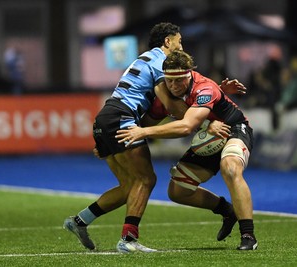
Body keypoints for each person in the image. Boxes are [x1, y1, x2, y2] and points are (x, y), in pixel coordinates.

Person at [63, 22, 243, 253]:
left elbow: (177, 100)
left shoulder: (144, 59)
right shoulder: (161, 63)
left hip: (105, 118)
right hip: (123, 118)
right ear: (168, 41)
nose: (181, 45)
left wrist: (105, 140)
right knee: (146, 180)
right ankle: (128, 240)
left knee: (129, 186)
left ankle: (79, 221)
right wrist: (209, 120)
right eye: (179, 40)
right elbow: (172, 104)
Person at [116, 50, 258, 250]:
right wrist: (107, 141)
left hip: (233, 129)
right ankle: (228, 211)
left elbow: (186, 127)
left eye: (179, 80)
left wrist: (142, 132)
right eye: (169, 81)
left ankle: (248, 236)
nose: (173, 86)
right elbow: (147, 121)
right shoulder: (166, 96)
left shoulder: (206, 88)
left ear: (190, 75)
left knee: (231, 168)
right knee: (178, 191)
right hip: (208, 137)